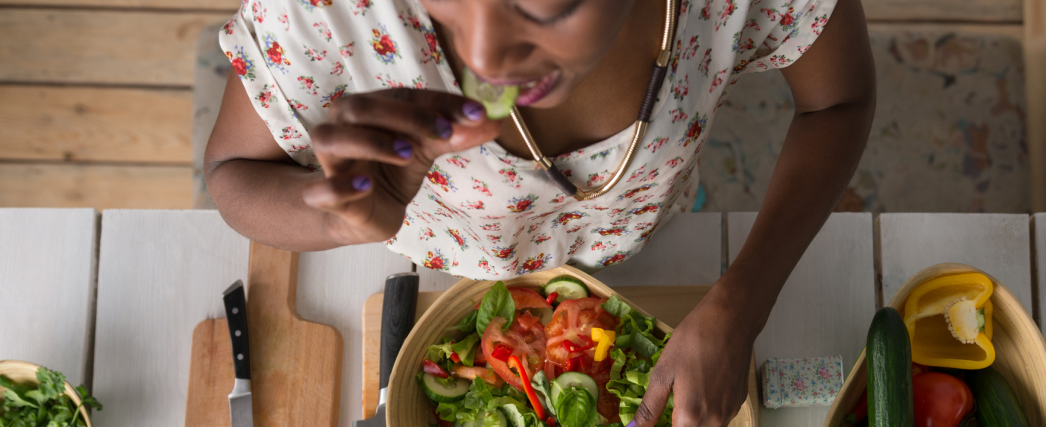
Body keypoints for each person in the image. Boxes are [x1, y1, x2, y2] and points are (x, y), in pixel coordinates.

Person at [205, 0, 874, 423]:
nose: (484, 59)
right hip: (446, 249)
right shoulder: (322, 14)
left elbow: (838, 103)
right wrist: (334, 220)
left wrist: (742, 303)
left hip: (650, 220)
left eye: (545, 8)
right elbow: (231, 176)